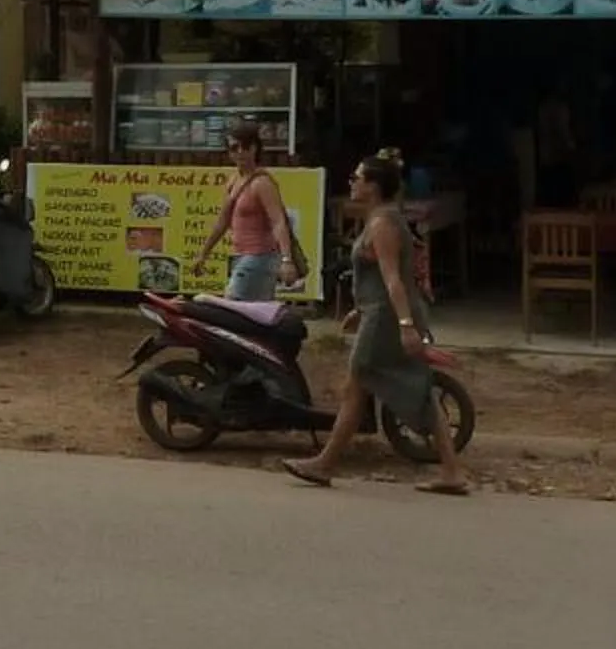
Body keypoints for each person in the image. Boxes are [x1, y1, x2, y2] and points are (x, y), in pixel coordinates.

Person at [287, 149, 469, 495]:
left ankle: (325, 463)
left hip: (388, 317)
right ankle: (451, 471)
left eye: (357, 177)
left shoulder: (384, 222)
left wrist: (403, 324)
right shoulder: (381, 217)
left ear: (373, 186)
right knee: (409, 388)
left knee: (359, 385)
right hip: (380, 312)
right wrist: (361, 308)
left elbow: (393, 279)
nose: (351, 182)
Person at [196, 124, 303, 302]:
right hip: (242, 256)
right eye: (233, 148)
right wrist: (203, 254)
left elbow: (278, 221)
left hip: (259, 257)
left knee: (232, 307)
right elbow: (222, 222)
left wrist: (286, 259)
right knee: (253, 315)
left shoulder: (262, 183)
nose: (240, 152)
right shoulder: (234, 180)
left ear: (254, 148)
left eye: (245, 147)